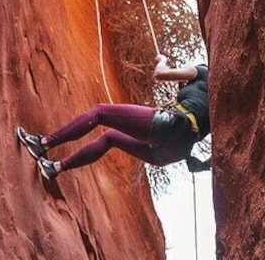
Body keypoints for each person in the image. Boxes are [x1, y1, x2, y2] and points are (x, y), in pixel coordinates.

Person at [16, 54, 211, 180]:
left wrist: (162, 61)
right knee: (111, 138)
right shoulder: (219, 108)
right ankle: (55, 168)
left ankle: (42, 143)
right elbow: (218, 153)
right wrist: (202, 166)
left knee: (101, 112)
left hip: (170, 125)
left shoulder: (202, 70)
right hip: (175, 152)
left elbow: (160, 74)